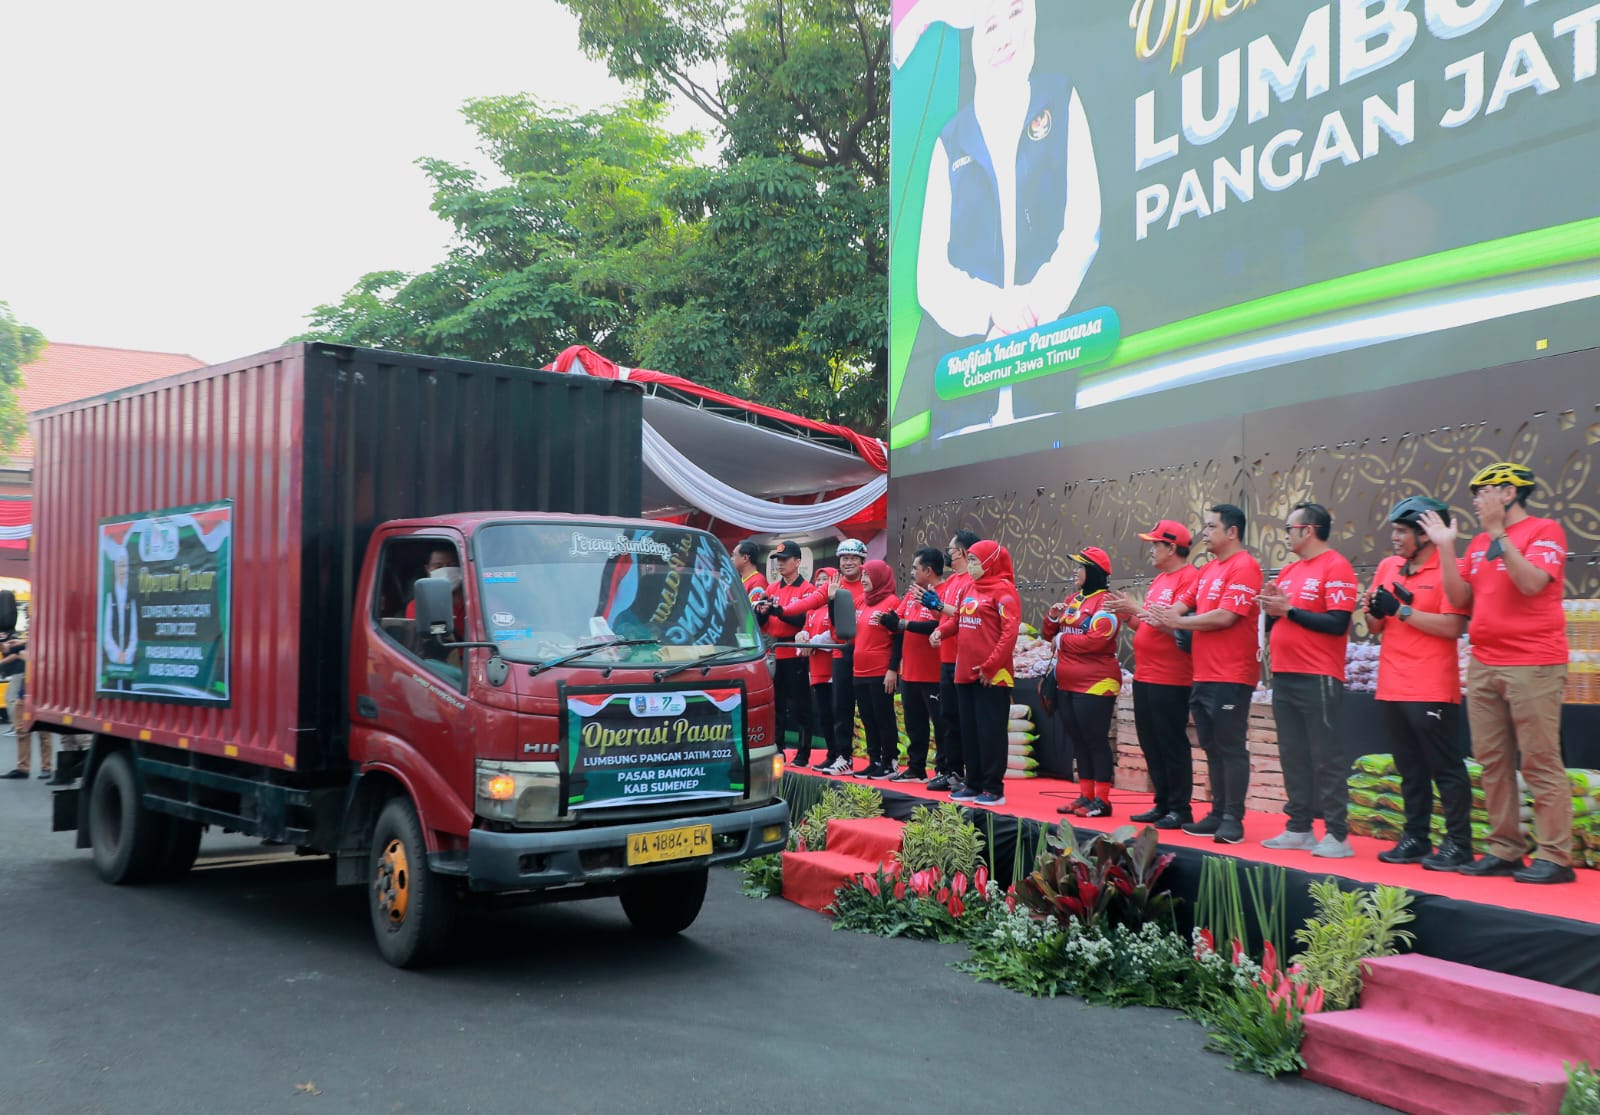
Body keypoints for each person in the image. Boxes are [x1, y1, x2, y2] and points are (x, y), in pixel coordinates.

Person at [912, 0, 1102, 438]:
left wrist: (1032, 310)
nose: (1005, 36)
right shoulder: (950, 142)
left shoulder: (1060, 99)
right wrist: (993, 308)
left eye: (1016, 14)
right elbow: (931, 277)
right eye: (990, 25)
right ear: (973, 40)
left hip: (1048, 384)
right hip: (964, 401)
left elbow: (1084, 226)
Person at [1422, 461, 1575, 884]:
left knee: (1540, 759)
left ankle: (1555, 856)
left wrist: (1498, 534)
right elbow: (1459, 598)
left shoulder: (1546, 531)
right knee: (1492, 762)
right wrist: (1446, 548)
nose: (1476, 499)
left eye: (1483, 491)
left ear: (1508, 493)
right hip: (1485, 662)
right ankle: (1505, 848)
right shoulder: (1475, 545)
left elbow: (1530, 584)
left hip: (1534, 662)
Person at [1364, 497, 1474, 871]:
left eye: (1402, 531)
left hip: (1431, 685)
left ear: (1425, 536)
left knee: (1446, 768)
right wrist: (1374, 612)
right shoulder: (1388, 566)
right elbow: (1377, 628)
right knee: (1408, 768)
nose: (1394, 538)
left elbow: (1453, 627)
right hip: (1391, 683)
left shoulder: (1450, 569)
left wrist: (1404, 611)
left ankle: (1458, 844)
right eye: (1393, 530)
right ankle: (1415, 838)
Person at [1146, 504, 1262, 846]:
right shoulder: (1209, 569)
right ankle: (1216, 811)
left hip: (1232, 674)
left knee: (1230, 746)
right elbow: (1182, 605)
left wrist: (1177, 621)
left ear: (1232, 532)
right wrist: (1159, 613)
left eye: (1211, 527)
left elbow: (1226, 616)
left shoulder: (1245, 567)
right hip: (1204, 672)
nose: (1204, 533)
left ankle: (1233, 818)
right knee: (1211, 746)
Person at [1258, 502, 1359, 858]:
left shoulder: (1337, 567)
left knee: (1325, 756)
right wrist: (1271, 608)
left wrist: (1290, 611)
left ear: (1309, 529)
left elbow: (1337, 623)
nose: (1286, 534)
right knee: (1293, 755)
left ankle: (1337, 834)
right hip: (1284, 675)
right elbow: (1279, 620)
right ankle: (1299, 827)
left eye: (1290, 527)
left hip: (1317, 676)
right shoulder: (1288, 572)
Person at [1106, 520, 1200, 829]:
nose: (1151, 549)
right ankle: (1162, 802)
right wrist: (1128, 615)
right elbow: (1148, 625)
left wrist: (1136, 607)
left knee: (1171, 742)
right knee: (1151, 742)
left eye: (1156, 544)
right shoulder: (1160, 580)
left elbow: (1169, 621)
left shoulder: (1190, 578)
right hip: (1145, 676)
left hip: (1171, 677)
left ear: (1172, 547)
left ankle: (1180, 808)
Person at [1042, 547, 1122, 818]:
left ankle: (1103, 800)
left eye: (1080, 566)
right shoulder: (1072, 599)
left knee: (1095, 740)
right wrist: (1053, 618)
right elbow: (1048, 635)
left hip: (1096, 683)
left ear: (1094, 572)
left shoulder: (1106, 602)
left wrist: (1062, 640)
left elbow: (1097, 641)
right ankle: (1085, 796)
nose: (1075, 571)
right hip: (1067, 682)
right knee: (1077, 739)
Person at [950, 539, 1020, 807]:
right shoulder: (969, 586)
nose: (971, 565)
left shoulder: (1004, 591)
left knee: (990, 732)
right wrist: (941, 631)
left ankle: (993, 788)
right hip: (965, 672)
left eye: (976, 560)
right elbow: (957, 619)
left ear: (990, 562)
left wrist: (991, 666)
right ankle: (973, 782)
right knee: (969, 731)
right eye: (969, 560)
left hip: (993, 675)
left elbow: (1009, 632)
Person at [880, 547, 946, 782]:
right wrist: (887, 620)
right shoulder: (912, 593)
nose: (912, 572)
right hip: (910, 671)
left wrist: (903, 624)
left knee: (941, 724)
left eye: (915, 568)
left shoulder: (942, 594)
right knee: (914, 723)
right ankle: (916, 767)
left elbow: (934, 627)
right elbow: (897, 621)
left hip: (934, 671)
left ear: (928, 570)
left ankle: (944, 769)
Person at [928, 530, 981, 791]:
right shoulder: (951, 582)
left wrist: (937, 607)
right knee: (947, 717)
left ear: (961, 552)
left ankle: (970, 775)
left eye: (950, 550)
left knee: (963, 720)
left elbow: (960, 615)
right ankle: (952, 770)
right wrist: (939, 630)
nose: (947, 554)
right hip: (946, 656)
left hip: (964, 658)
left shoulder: (971, 581)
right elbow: (949, 616)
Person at [756, 541, 815, 766]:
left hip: (795, 653)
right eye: (777, 560)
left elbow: (801, 620)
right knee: (776, 705)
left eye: (784, 560)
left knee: (801, 706)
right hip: (774, 652)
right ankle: (777, 748)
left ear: (797, 562)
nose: (780, 564)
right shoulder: (772, 589)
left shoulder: (807, 589)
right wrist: (762, 611)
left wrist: (778, 611)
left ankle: (803, 752)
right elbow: (763, 622)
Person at [815, 538, 871, 775]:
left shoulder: (870, 584)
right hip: (841, 653)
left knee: (869, 710)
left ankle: (879, 759)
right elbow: (836, 625)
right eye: (844, 558)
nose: (848, 563)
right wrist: (830, 599)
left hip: (865, 655)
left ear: (862, 561)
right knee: (841, 708)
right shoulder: (835, 586)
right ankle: (843, 757)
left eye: (853, 559)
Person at [854, 560, 904, 779]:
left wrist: (892, 669)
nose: (863, 580)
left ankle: (890, 761)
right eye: (862, 576)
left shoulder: (892, 601)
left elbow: (898, 639)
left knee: (883, 718)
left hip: (880, 671)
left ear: (880, 578)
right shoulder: (862, 602)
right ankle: (874, 760)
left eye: (868, 576)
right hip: (859, 671)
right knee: (868, 718)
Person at [795, 568, 840, 772]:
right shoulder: (812, 609)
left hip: (833, 669)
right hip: (815, 669)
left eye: (826, 580)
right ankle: (831, 753)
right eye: (819, 580)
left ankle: (838, 755)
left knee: (834, 714)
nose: (821, 583)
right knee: (823, 715)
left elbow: (835, 635)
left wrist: (811, 641)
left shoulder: (836, 605)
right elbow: (805, 628)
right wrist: (801, 638)